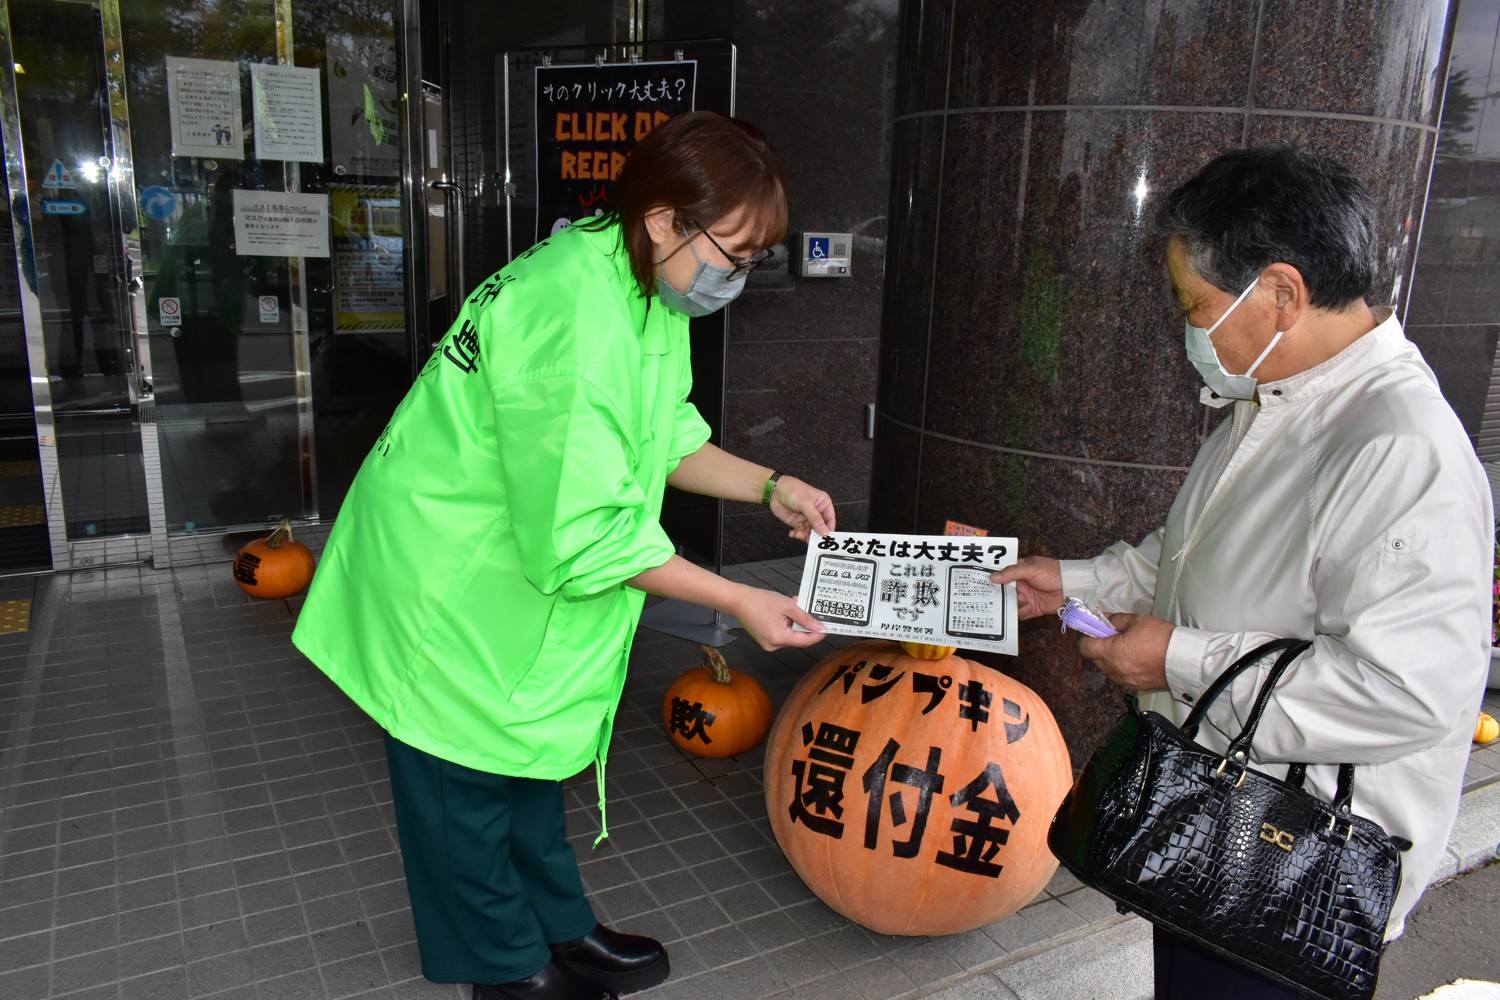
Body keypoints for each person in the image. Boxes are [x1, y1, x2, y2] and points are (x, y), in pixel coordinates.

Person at [291, 111, 834, 1000]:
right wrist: (737, 599)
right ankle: (506, 969)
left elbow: (663, 432)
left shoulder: (636, 274)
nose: (734, 278)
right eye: (731, 255)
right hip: (444, 576)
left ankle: (558, 928)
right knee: (461, 786)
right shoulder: (574, 315)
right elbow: (588, 533)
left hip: (506, 563)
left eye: (749, 260)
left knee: (526, 770)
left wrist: (769, 485)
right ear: (663, 218)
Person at [993, 145, 1492, 999]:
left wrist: (1175, 660)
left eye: (1195, 305)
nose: (1187, 330)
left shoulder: (1400, 448)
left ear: (1282, 293)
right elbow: (1188, 554)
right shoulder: (1278, 399)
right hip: (1212, 829)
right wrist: (1070, 584)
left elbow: (1405, 693)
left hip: (1292, 872)